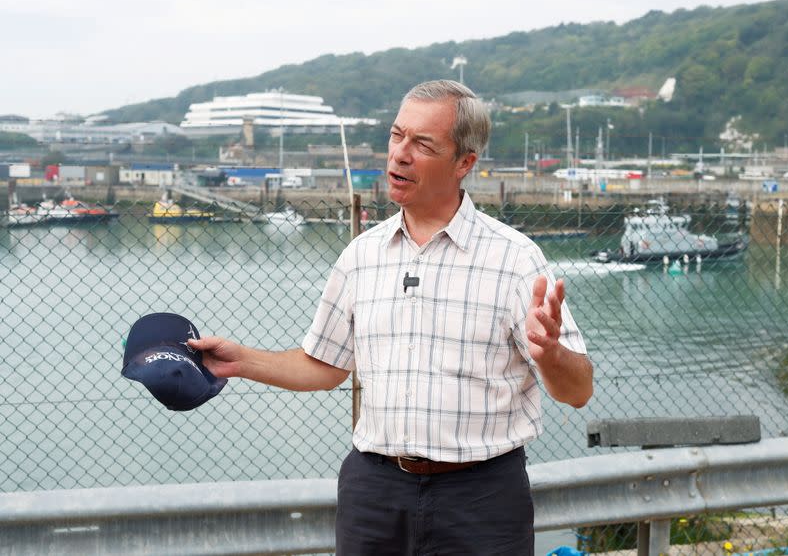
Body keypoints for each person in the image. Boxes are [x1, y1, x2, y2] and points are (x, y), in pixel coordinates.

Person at [189, 79, 593, 555]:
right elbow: (325, 365)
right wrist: (240, 361)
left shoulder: (515, 259)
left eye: (422, 144)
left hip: (482, 497)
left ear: (465, 162)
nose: (400, 154)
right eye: (396, 135)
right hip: (374, 492)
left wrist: (549, 354)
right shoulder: (362, 255)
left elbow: (577, 391)